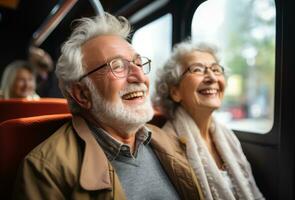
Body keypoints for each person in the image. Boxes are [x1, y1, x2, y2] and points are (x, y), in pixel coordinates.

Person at [13, 13, 203, 200]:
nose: (139, 76)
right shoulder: (45, 169)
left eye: (138, 63)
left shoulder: (167, 139)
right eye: (118, 66)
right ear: (82, 94)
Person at [155, 40, 264, 200]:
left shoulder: (227, 137)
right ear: (175, 92)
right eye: (197, 70)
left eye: (216, 69)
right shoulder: (166, 146)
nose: (212, 77)